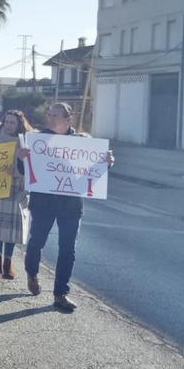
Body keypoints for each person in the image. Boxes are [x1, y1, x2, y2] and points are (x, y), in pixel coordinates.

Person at [22, 103, 114, 313]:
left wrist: (108, 162)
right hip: (43, 203)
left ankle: (60, 294)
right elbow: (25, 170)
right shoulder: (38, 140)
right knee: (37, 242)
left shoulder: (83, 142)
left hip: (70, 205)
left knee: (68, 250)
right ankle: (32, 272)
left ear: (68, 119)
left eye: (56, 115)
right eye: (49, 114)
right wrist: (22, 158)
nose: (51, 118)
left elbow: (95, 169)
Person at [0, 110, 31, 280]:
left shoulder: (25, 142)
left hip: (16, 189)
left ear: (19, 124)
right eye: (7, 122)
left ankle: (8, 263)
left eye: (13, 122)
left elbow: (31, 169)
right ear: (3, 123)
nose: (9, 125)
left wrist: (17, 172)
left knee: (11, 228)